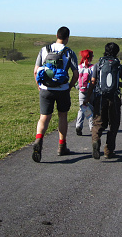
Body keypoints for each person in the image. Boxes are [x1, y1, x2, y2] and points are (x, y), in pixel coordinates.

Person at [32, 26, 79, 162]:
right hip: (62, 89)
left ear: (57, 35)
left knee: (44, 118)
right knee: (62, 116)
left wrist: (39, 86)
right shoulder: (69, 52)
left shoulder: (44, 50)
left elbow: (36, 71)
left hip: (45, 89)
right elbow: (75, 74)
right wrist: (69, 86)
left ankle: (39, 139)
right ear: (67, 38)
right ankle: (61, 146)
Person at [83, 42, 122, 159]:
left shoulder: (98, 65)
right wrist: (116, 84)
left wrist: (88, 97)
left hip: (100, 98)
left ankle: (96, 140)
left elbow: (93, 82)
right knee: (114, 125)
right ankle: (109, 150)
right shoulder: (119, 66)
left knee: (98, 123)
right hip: (114, 98)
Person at [76, 49, 95, 136]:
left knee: (82, 108)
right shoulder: (93, 67)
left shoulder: (79, 67)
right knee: (90, 108)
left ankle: (78, 125)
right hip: (91, 90)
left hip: (82, 91)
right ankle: (91, 126)